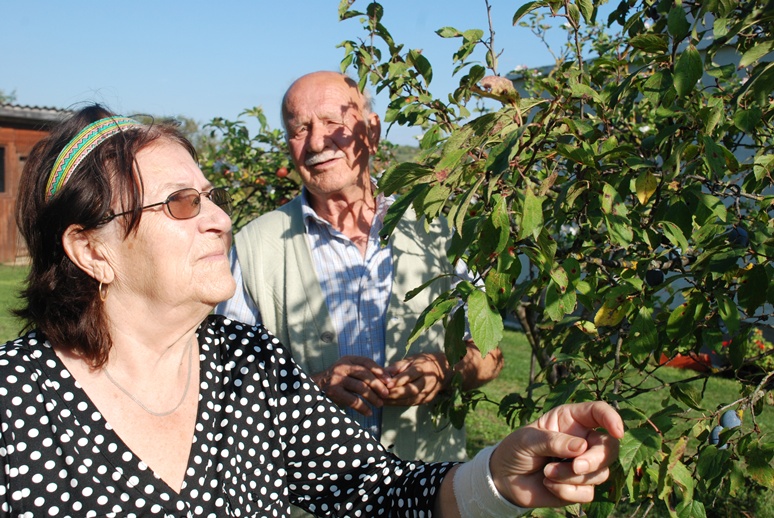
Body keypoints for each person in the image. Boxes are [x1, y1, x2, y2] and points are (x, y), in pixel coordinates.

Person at [1, 104, 624, 516]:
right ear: (91, 249)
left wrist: (498, 476)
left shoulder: (248, 368)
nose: (221, 219)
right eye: (183, 204)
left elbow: (379, 492)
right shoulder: (14, 407)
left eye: (212, 197)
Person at [218, 71, 503, 466]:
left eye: (334, 122)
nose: (317, 141)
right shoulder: (253, 246)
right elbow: (226, 383)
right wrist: (315, 385)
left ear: (372, 131)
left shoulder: (437, 228)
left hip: (430, 488)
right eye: (300, 129)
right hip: (311, 499)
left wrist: (445, 369)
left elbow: (489, 353)